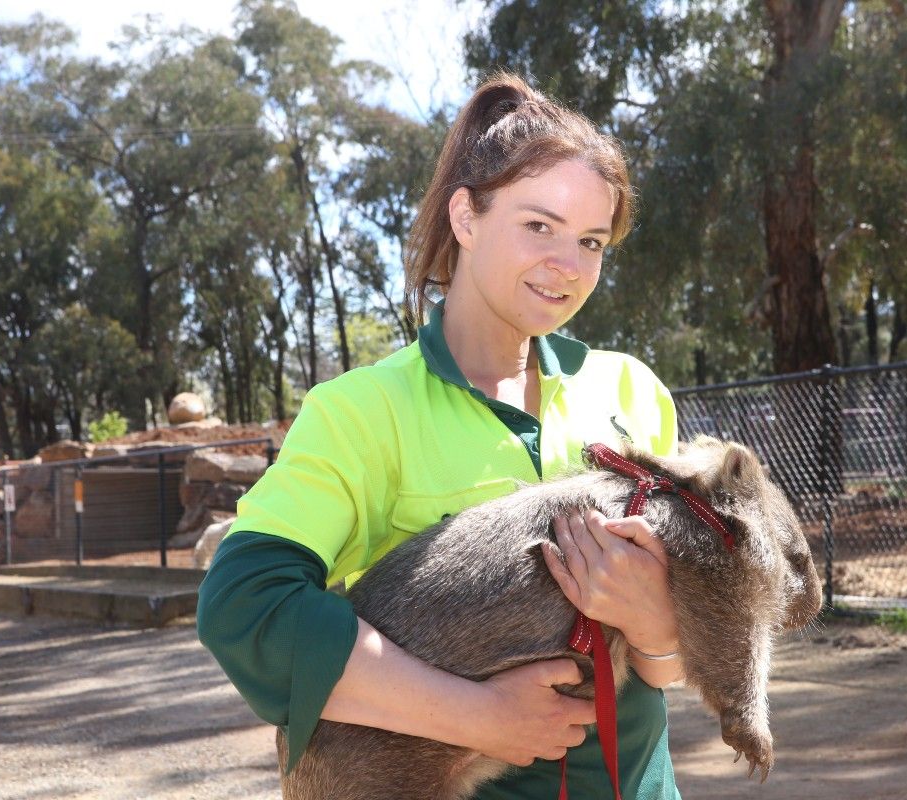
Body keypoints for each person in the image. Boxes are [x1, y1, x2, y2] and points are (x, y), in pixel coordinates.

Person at [197, 72, 685, 799]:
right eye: (538, 226)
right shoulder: (361, 410)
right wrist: (480, 717)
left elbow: (668, 668)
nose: (569, 266)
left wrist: (656, 626)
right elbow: (247, 606)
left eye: (591, 241)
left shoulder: (630, 391)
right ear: (466, 216)